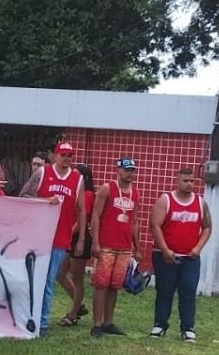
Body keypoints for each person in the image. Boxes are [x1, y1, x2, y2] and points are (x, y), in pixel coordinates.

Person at [25, 142, 85, 336]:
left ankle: (42, 323)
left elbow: (82, 210)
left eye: (70, 155)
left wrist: (81, 238)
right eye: (63, 154)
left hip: (60, 237)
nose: (67, 158)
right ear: (55, 156)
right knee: (33, 278)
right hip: (38, 234)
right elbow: (24, 196)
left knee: (49, 280)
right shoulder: (43, 173)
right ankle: (27, 316)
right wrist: (44, 200)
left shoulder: (77, 179)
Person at [149, 167, 212, 342]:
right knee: (164, 291)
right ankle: (160, 325)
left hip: (190, 258)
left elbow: (207, 226)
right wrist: (164, 249)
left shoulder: (200, 202)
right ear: (177, 181)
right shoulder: (166, 200)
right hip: (166, 256)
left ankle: (188, 328)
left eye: (192, 181)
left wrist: (198, 247)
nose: (189, 184)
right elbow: (155, 225)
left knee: (188, 291)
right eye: (185, 181)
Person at [88, 158, 142, 337]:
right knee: (101, 284)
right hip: (106, 244)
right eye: (127, 170)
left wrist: (137, 247)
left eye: (132, 170)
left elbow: (134, 222)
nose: (130, 174)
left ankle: (108, 322)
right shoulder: (107, 189)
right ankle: (96, 324)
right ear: (118, 170)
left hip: (124, 246)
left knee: (115, 285)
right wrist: (95, 241)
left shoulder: (135, 192)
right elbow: (95, 215)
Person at [60, 164, 96, 328]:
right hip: (70, 236)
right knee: (60, 273)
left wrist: (67, 233)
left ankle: (73, 314)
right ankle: (78, 304)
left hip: (79, 237)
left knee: (77, 277)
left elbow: (83, 218)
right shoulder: (76, 193)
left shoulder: (87, 195)